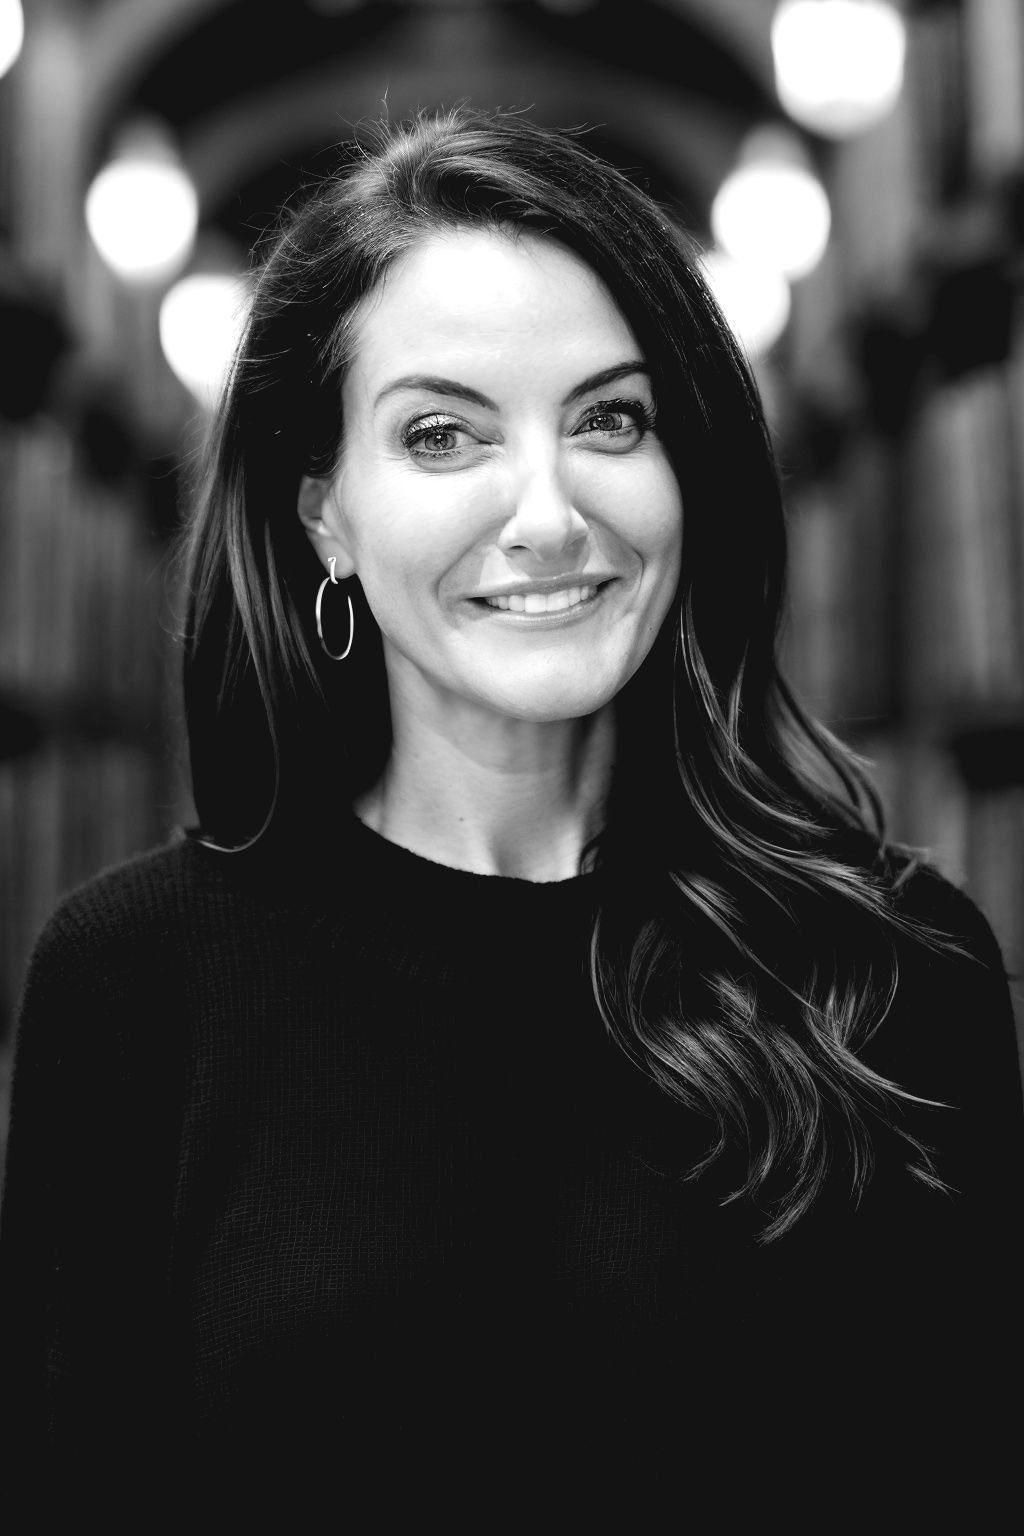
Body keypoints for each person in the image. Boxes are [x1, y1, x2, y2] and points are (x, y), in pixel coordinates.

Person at [1, 106, 1021, 1522]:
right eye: (440, 435)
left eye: (612, 418)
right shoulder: (134, 986)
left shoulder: (895, 969)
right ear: (324, 516)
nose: (548, 514)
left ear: (691, 469)